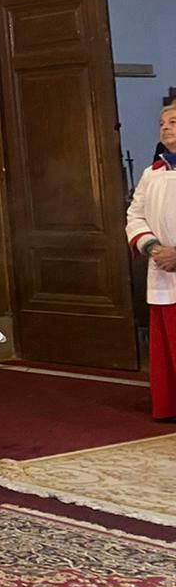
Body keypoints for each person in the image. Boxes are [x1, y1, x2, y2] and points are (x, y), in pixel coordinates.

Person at [126, 103, 176, 420]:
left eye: (173, 121)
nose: (165, 127)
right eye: (162, 123)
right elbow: (135, 215)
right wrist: (153, 247)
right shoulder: (151, 173)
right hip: (162, 270)